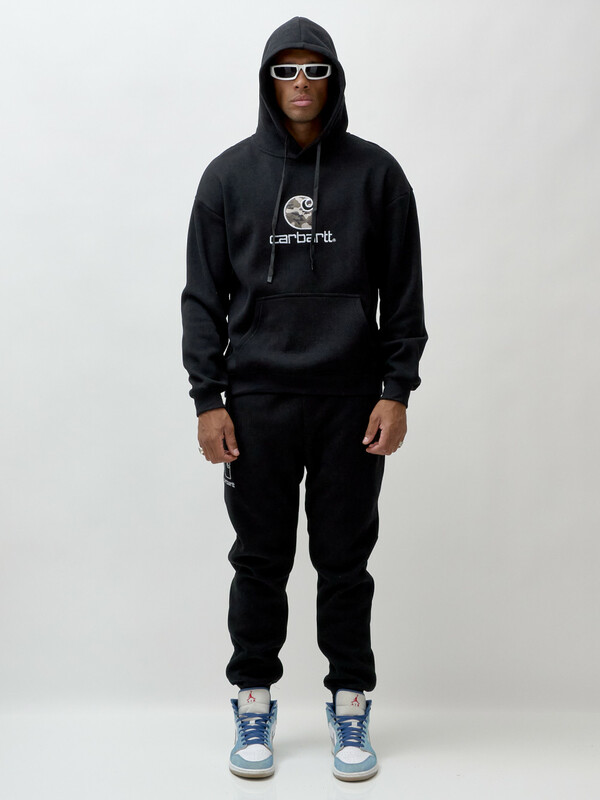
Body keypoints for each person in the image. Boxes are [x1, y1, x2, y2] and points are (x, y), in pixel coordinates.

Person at [181, 16, 427, 782]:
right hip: (256, 403)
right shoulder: (227, 178)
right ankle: (253, 700)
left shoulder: (377, 176)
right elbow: (202, 299)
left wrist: (396, 389)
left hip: (351, 403)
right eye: (285, 70)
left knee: (344, 561)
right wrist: (208, 397)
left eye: (314, 70)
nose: (300, 83)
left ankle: (350, 703)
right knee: (260, 560)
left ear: (334, 79)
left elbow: (404, 295)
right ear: (267, 81)